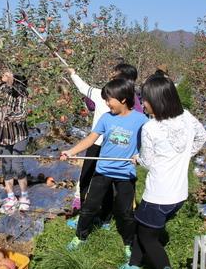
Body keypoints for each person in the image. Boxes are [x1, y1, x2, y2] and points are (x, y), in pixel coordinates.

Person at [117, 75, 206, 269]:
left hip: (158, 195)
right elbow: (202, 136)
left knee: (148, 238)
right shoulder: (185, 116)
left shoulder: (151, 128)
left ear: (158, 100)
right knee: (144, 228)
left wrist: (137, 158)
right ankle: (133, 267)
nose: (143, 103)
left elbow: (148, 162)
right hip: (179, 194)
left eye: (145, 99)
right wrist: (184, 154)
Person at [60, 78, 148, 252]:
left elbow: (150, 143)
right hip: (103, 170)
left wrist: (140, 156)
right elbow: (91, 139)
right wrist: (71, 151)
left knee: (125, 213)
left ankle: (129, 243)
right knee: (90, 207)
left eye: (109, 99)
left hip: (125, 173)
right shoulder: (106, 118)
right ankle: (80, 237)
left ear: (122, 99)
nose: (107, 103)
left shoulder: (141, 120)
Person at [67, 63, 143, 217]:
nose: (111, 76)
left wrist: (73, 74)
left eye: (115, 75)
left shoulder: (102, 94)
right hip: (111, 146)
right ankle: (100, 214)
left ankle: (95, 213)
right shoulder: (130, 100)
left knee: (92, 179)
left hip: (101, 145)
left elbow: (83, 88)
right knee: (103, 181)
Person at [0, 70, 30, 214]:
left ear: (14, 78)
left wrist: (1, 114)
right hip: (4, 135)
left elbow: (21, 114)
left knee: (17, 165)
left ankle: (24, 197)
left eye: (7, 73)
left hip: (18, 135)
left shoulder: (21, 94)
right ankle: (11, 197)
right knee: (6, 166)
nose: (3, 74)